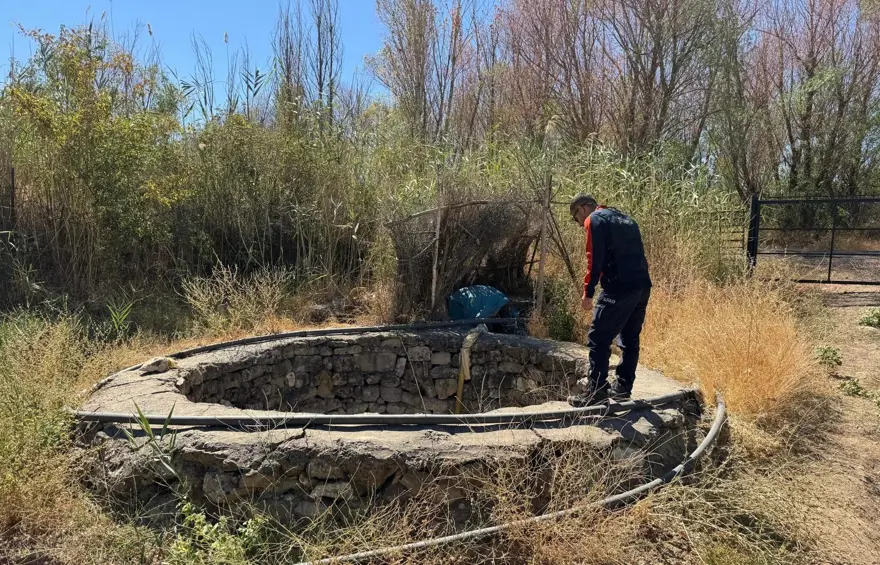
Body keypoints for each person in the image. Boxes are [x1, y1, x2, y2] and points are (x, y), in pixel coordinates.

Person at [567, 194, 652, 406]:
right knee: (630, 338)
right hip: (641, 285)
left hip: (618, 287)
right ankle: (623, 387)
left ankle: (596, 392)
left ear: (582, 209)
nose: (580, 225)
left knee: (598, 337)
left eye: (576, 219)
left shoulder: (594, 220)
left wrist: (588, 291)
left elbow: (594, 258)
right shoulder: (626, 218)